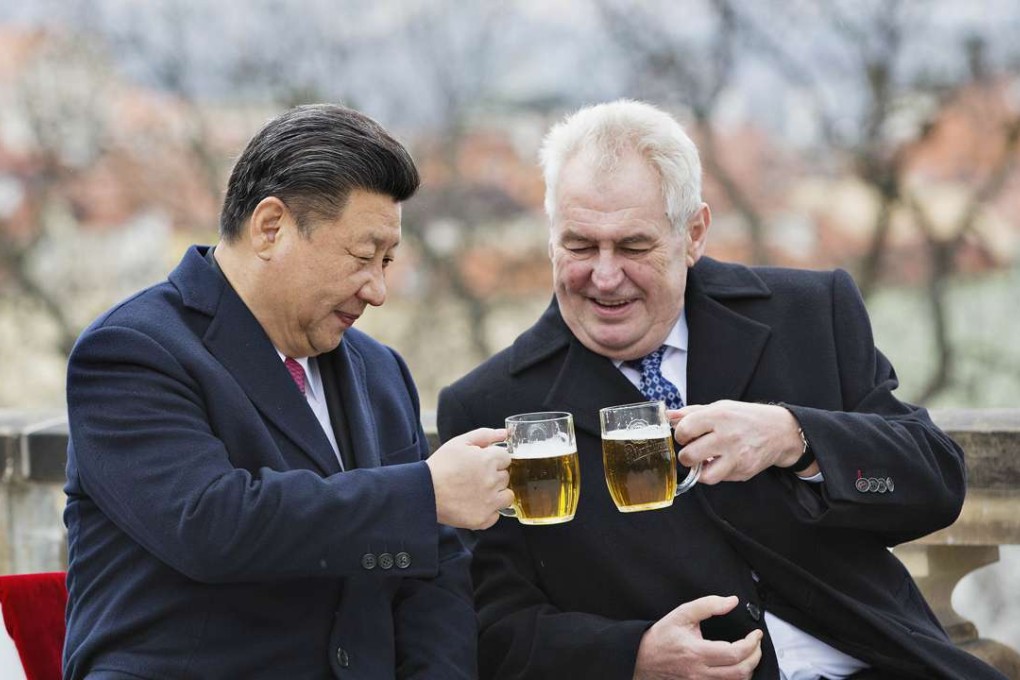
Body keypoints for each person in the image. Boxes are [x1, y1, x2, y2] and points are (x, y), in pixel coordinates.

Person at [437, 100, 1007, 680]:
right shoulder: (488, 405)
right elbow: (495, 631)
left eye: (633, 246)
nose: (604, 277)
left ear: (693, 234)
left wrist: (797, 438)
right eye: (581, 246)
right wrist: (631, 658)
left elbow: (935, 482)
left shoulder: (809, 312)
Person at [63, 104, 512, 679]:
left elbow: (435, 575)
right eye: (362, 256)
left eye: (388, 261)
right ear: (270, 227)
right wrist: (422, 492)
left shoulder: (380, 371)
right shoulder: (131, 350)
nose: (377, 290)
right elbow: (212, 525)